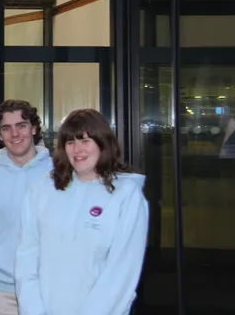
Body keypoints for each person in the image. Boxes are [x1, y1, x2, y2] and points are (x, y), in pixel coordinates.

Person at [15, 109, 149, 315]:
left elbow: (121, 273)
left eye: (85, 141)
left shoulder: (126, 195)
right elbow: (27, 260)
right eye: (70, 142)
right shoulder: (41, 190)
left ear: (102, 143)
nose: (77, 149)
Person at [0, 100, 53, 315]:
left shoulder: (58, 172)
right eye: (6, 128)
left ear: (33, 128)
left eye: (21, 125)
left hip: (47, 287)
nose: (15, 134)